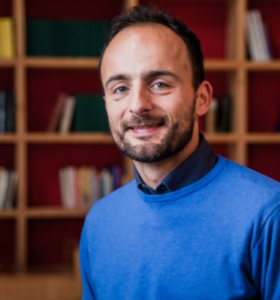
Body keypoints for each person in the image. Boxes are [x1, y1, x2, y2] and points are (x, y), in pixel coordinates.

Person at [80, 5, 280, 300]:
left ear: (202, 99)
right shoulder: (99, 222)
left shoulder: (268, 214)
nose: (137, 105)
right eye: (120, 88)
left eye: (159, 84)